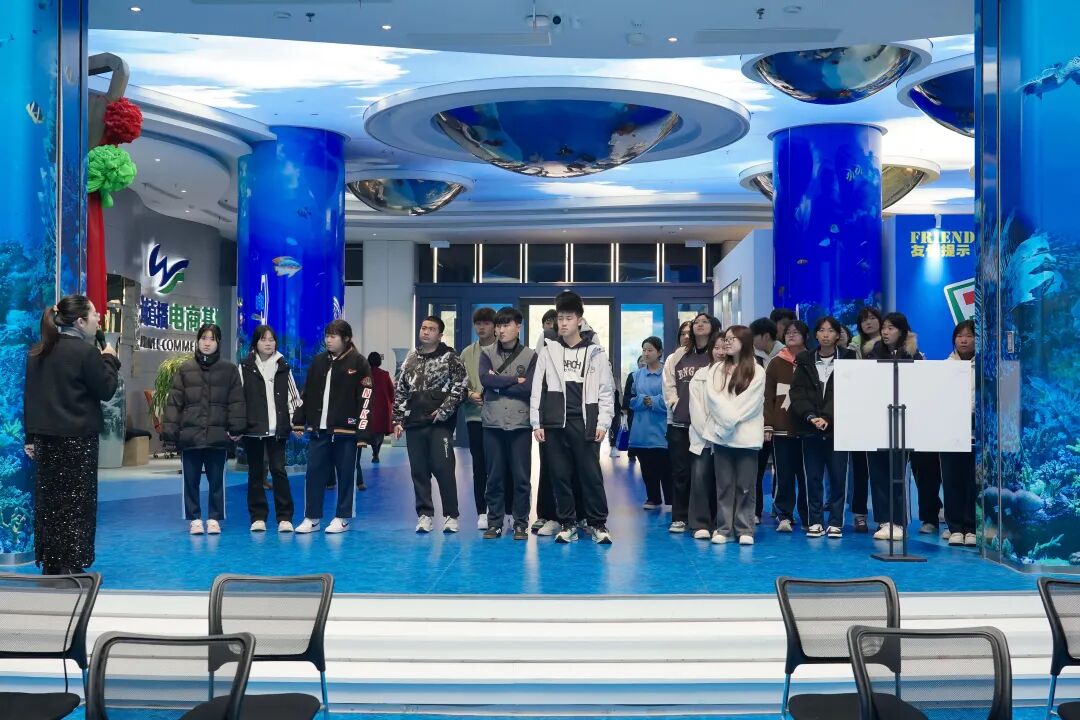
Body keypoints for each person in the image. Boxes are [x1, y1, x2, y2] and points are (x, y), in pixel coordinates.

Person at [23, 295, 120, 574]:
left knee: (50, 504)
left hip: (46, 440)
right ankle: (73, 564)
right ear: (80, 321)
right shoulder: (86, 353)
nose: (98, 318)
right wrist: (110, 359)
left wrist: (30, 437)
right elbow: (106, 390)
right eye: (94, 314)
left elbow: (30, 398)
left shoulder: (38, 352)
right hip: (79, 440)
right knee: (78, 504)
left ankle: (52, 563)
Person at [530, 291, 616, 544]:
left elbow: (606, 391)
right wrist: (537, 422)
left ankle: (598, 523)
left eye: (569, 318)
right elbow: (538, 388)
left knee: (591, 475)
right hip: (555, 423)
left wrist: (603, 423)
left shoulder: (595, 352)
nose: (564, 323)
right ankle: (568, 523)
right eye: (560, 318)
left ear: (580, 320)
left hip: (585, 423)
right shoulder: (549, 350)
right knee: (559, 475)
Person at [163, 323, 246, 535]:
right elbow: (174, 402)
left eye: (212, 339)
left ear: (218, 342)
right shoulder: (185, 369)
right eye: (203, 338)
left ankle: (214, 518)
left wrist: (236, 427)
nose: (207, 343)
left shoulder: (229, 370)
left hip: (218, 436)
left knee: (217, 481)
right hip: (190, 435)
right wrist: (171, 432)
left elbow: (236, 402)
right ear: (198, 341)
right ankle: (194, 519)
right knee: (190, 481)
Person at [291, 320, 372, 534]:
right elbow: (306, 392)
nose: (328, 340)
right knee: (313, 474)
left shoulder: (359, 363)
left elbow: (366, 398)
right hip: (319, 431)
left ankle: (342, 517)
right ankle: (312, 518)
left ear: (346, 338)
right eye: (327, 335)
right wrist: (299, 420)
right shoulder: (318, 362)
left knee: (346, 475)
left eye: (333, 336)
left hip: (347, 432)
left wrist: (363, 433)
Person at [393, 316, 468, 534]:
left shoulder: (450, 358)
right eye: (423, 328)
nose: (426, 332)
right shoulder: (410, 359)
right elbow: (401, 390)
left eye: (431, 329)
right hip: (414, 424)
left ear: (440, 334)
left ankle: (451, 516)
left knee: (444, 469)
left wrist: (444, 411)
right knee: (419, 471)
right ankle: (424, 515)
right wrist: (398, 419)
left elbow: (461, 387)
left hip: (439, 425)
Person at [789, 316, 856, 539]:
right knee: (813, 478)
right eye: (821, 330)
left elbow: (848, 392)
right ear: (815, 334)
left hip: (838, 429)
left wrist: (828, 417)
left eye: (830, 330)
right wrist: (811, 416)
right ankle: (815, 521)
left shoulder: (849, 358)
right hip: (810, 428)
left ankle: (836, 522)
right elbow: (797, 393)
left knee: (838, 478)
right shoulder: (804, 359)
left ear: (838, 335)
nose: (826, 334)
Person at [702, 325, 766, 545]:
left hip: (746, 437)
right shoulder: (716, 369)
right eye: (726, 339)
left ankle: (745, 528)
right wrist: (725, 426)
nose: (727, 343)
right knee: (724, 485)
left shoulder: (757, 370)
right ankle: (724, 529)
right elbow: (713, 400)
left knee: (746, 486)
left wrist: (726, 423)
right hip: (722, 437)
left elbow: (750, 403)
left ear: (744, 342)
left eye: (732, 339)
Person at [478, 307, 536, 540]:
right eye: (498, 326)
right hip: (492, 423)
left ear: (518, 326)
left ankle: (521, 523)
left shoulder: (531, 355)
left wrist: (498, 383)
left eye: (506, 325)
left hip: (520, 423)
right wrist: (514, 380)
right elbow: (485, 379)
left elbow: (529, 387)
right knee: (494, 477)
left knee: (521, 477)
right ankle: (495, 523)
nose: (501, 330)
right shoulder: (486, 353)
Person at [866, 312, 924, 541]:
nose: (885, 332)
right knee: (878, 473)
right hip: (875, 423)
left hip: (902, 423)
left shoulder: (913, 355)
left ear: (902, 331)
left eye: (891, 328)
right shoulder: (872, 354)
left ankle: (899, 521)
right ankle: (883, 521)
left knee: (899, 474)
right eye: (884, 328)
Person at [238, 325, 300, 533]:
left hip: (277, 429)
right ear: (255, 343)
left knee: (278, 471)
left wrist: (295, 421)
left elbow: (293, 398)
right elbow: (238, 398)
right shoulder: (244, 366)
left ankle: (285, 517)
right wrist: (237, 425)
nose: (268, 343)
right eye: (263, 339)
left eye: (271, 339)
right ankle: (258, 517)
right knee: (255, 474)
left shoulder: (283, 366)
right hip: (253, 429)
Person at [662, 312, 719, 533]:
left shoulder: (716, 355)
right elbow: (668, 385)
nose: (699, 324)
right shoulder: (678, 356)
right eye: (696, 322)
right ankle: (680, 516)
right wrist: (675, 404)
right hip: (681, 423)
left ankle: (709, 518)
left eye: (705, 321)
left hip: (708, 424)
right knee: (681, 472)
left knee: (706, 473)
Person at [764, 320, 811, 533]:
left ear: (805, 336)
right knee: (784, 474)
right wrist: (768, 424)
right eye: (788, 332)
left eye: (796, 332)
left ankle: (809, 515)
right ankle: (784, 514)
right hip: (782, 428)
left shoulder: (812, 361)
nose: (791, 335)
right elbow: (768, 397)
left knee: (808, 475)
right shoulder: (776, 363)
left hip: (807, 428)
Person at [460, 307, 498, 529]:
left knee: (500, 465)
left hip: (500, 417)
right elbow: (458, 382)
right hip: (475, 418)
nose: (481, 327)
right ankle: (482, 511)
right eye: (478, 323)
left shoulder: (503, 350)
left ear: (494, 326)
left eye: (486, 323)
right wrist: (468, 394)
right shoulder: (467, 353)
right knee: (479, 465)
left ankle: (502, 509)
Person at [941, 320, 977, 546]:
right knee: (952, 479)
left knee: (973, 480)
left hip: (977, 430)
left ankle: (972, 527)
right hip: (950, 430)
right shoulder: (945, 366)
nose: (964, 340)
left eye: (969, 336)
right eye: (959, 336)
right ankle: (954, 527)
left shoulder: (985, 365)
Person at [687, 334, 727, 538]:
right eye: (716, 348)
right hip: (703, 437)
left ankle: (723, 523)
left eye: (724, 348)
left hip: (728, 438)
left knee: (725, 482)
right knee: (700, 479)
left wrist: (723, 433)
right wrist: (710, 433)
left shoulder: (736, 375)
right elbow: (696, 410)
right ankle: (700, 523)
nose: (720, 352)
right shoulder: (700, 376)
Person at [629, 338, 671, 510]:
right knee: (646, 467)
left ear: (659, 352)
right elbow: (628, 399)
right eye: (644, 350)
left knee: (665, 467)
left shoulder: (667, 373)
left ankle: (671, 500)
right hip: (641, 429)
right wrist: (642, 401)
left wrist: (653, 402)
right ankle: (653, 498)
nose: (646, 353)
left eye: (650, 350)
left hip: (662, 428)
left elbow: (671, 398)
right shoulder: (636, 375)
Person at [359, 351, 394, 474]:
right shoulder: (385, 374)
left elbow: (360, 390)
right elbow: (391, 391)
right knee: (380, 432)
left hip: (369, 406)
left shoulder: (364, 374)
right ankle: (376, 453)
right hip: (383, 407)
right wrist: (391, 402)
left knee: (372, 431)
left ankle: (375, 452)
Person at [622, 355, 645, 463]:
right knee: (632, 430)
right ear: (637, 363)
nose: (643, 363)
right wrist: (625, 408)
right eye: (641, 361)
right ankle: (631, 452)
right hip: (633, 408)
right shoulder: (632, 376)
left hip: (646, 408)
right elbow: (627, 393)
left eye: (644, 361)